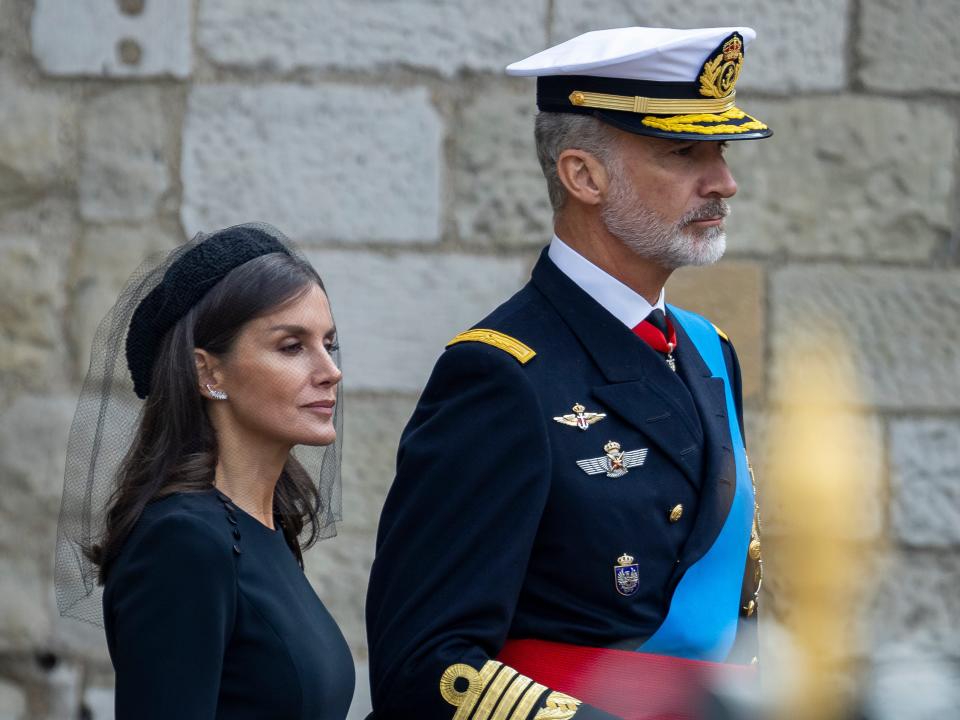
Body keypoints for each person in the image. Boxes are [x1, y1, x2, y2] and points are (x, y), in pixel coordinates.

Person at [366, 27, 769, 720]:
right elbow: (426, 663)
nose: (723, 181)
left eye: (722, 150)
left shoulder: (708, 349)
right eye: (684, 152)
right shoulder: (497, 376)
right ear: (583, 176)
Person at [54, 223, 354, 719]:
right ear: (208, 372)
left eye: (329, 343)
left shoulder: (265, 527)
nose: (330, 369)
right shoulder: (182, 541)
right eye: (292, 346)